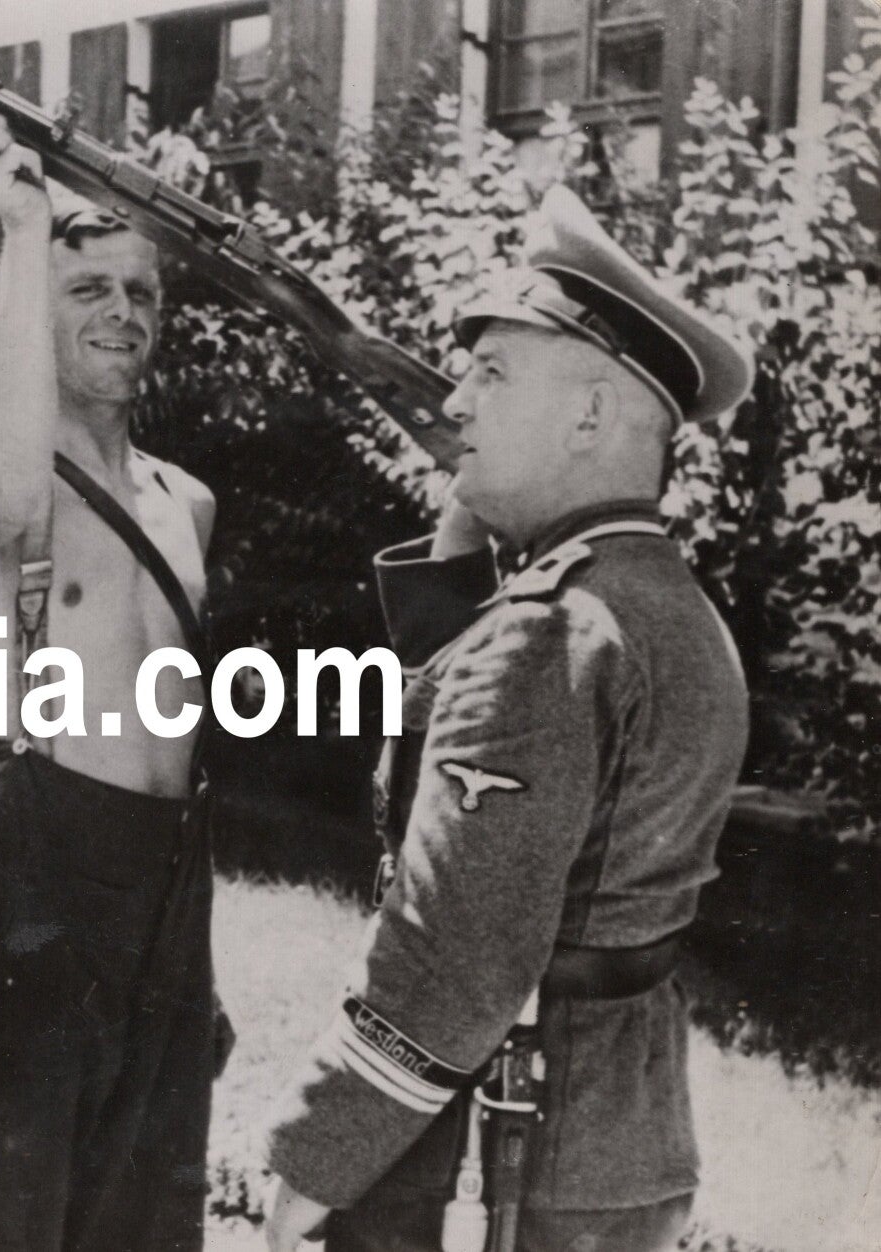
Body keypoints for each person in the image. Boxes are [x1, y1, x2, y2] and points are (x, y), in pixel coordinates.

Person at [261, 185, 755, 1252]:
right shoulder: (650, 599)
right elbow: (467, 693)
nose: (452, 405)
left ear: (587, 414)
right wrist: (474, 506)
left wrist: (313, 1162)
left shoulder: (547, 630)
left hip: (486, 1156)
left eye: (490, 375)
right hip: (613, 1143)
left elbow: (458, 951)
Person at [0, 105, 223, 1252]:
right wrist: (24, 229)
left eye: (141, 292)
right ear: (35, 307)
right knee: (1, 1210)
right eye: (89, 290)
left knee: (143, 1207)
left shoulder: (182, 498)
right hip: (38, 857)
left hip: (166, 873)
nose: (124, 314)